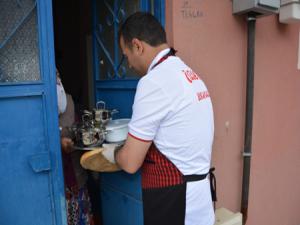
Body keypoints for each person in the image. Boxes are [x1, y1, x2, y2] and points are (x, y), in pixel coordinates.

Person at [82, 12, 215, 225]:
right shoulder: (189, 74)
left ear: (138, 46)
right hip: (199, 198)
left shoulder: (154, 81)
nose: (130, 65)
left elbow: (131, 163)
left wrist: (112, 153)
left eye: (126, 56)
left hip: (176, 203)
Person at [56, 69, 95, 225]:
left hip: (76, 178)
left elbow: (79, 129)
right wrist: (58, 142)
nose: (57, 80)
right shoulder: (35, 105)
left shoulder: (69, 101)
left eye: (58, 75)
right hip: (57, 182)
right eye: (52, 77)